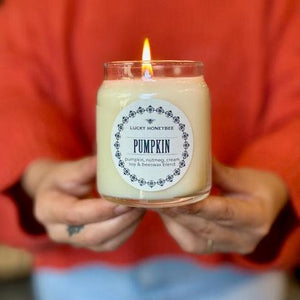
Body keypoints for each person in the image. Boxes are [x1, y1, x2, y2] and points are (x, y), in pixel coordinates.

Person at [0, 0, 299, 299]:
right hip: (77, 272)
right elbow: (11, 90)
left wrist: (278, 178)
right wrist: (35, 173)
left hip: (234, 274)